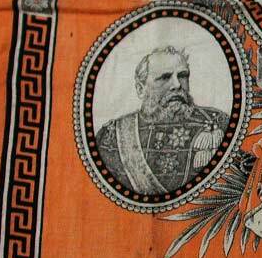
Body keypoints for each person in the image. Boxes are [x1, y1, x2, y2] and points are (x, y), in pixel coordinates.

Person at [96, 46, 227, 194]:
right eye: (165, 77)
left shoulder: (217, 122)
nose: (177, 85)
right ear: (140, 89)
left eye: (183, 75)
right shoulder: (112, 136)